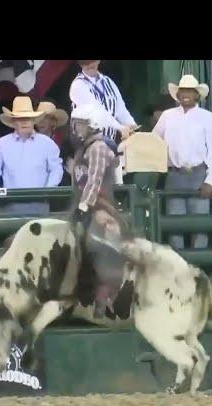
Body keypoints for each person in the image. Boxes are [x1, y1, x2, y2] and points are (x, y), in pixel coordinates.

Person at [70, 103, 131, 319]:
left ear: (92, 125)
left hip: (100, 205)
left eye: (80, 124)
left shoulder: (98, 148)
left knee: (99, 246)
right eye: (76, 124)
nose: (76, 128)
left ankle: (103, 302)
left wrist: (85, 205)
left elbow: (94, 180)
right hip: (85, 205)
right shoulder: (85, 148)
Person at [152, 74, 212, 250]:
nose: (185, 94)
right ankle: (180, 267)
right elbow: (154, 141)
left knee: (199, 226)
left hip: (198, 174)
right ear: (178, 94)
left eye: (189, 91)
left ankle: (197, 268)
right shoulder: (167, 116)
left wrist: (209, 181)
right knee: (175, 227)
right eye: (183, 91)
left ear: (196, 95)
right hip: (174, 174)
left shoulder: (207, 118)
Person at [0, 96, 63, 216]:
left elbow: (56, 169)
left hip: (39, 205)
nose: (24, 122)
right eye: (20, 118)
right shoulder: (0, 144)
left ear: (34, 121)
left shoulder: (48, 144)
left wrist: (48, 190)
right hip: (10, 206)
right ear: (13, 122)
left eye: (28, 118)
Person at [69, 60, 138, 142]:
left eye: (92, 61)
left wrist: (133, 128)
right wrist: (121, 128)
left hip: (109, 140)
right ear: (80, 65)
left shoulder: (108, 81)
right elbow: (96, 111)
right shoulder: (78, 85)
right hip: (88, 142)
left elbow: (121, 110)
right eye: (85, 63)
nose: (89, 65)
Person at [34, 100, 73, 186]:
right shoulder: (30, 143)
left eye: (46, 118)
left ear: (53, 122)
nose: (41, 121)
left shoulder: (64, 146)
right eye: (39, 118)